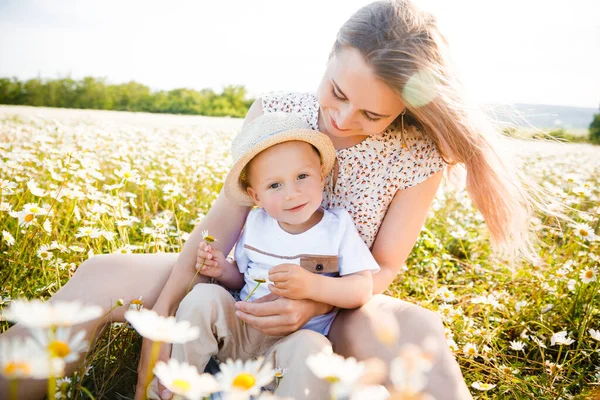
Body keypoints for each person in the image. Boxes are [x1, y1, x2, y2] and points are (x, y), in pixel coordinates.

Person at [1, 1, 544, 399]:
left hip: (338, 301)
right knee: (100, 274)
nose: (342, 121)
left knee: (421, 335)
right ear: (330, 56)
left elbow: (385, 266)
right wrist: (163, 315)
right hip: (244, 281)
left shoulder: (417, 154)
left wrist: (316, 300)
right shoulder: (279, 109)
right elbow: (224, 220)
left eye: (372, 115)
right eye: (337, 92)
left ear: (403, 109)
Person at [147, 112, 380, 399]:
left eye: (302, 177)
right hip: (240, 331)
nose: (292, 193)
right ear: (255, 196)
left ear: (322, 174)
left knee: (314, 348)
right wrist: (222, 270)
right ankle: (178, 385)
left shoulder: (337, 227)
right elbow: (241, 278)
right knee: (201, 297)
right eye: (274, 185)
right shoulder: (256, 224)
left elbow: (361, 288)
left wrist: (312, 286)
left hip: (289, 346)